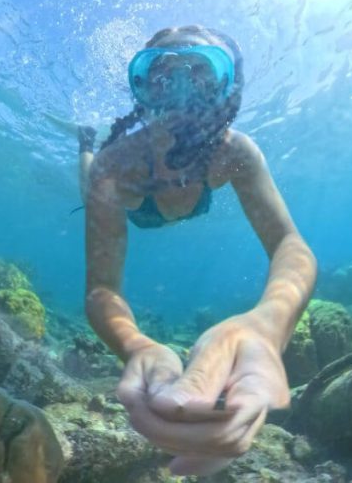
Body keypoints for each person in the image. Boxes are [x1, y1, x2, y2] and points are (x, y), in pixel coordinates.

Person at [79, 25, 318, 476]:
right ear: (144, 90)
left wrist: (268, 325)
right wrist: (135, 346)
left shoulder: (235, 154)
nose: (182, 93)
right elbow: (101, 289)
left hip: (167, 194)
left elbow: (290, 244)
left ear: (226, 89)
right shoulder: (117, 168)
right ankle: (84, 145)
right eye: (165, 76)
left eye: (200, 75)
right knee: (89, 177)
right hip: (137, 205)